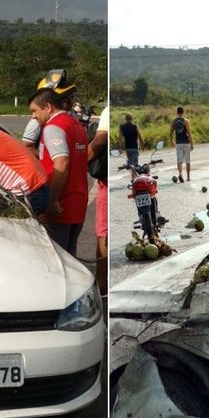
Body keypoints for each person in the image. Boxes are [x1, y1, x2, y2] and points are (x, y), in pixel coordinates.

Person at [28, 88, 88, 254]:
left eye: (35, 111)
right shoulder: (76, 125)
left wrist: (52, 200)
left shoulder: (53, 127)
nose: (33, 116)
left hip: (61, 206)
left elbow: (61, 163)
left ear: (47, 107)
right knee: (71, 260)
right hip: (78, 202)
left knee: (57, 262)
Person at [22, 69, 76, 149]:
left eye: (70, 96)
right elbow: (26, 147)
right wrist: (46, 154)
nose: (70, 101)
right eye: (65, 97)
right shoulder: (38, 119)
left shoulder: (71, 116)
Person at [90, 105, 110, 295]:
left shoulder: (107, 111)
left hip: (106, 180)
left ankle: (102, 283)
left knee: (103, 232)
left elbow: (99, 141)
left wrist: (83, 159)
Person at [171, 106, 193, 181]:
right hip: (186, 142)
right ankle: (188, 177)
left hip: (178, 143)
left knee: (179, 160)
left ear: (177, 112)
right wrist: (192, 143)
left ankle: (180, 174)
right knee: (187, 161)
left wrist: (171, 141)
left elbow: (170, 133)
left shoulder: (174, 121)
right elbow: (189, 133)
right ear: (183, 112)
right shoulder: (186, 121)